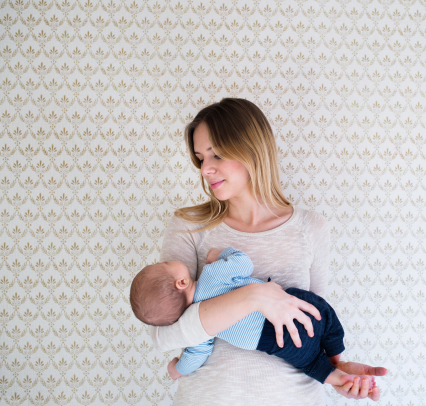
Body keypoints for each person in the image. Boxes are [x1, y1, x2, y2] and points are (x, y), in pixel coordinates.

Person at [148, 98, 387, 405]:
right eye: (200, 158)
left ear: (251, 150)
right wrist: (254, 297)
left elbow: (314, 322)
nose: (206, 169)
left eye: (217, 154)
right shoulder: (189, 226)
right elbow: (164, 335)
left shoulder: (310, 228)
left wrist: (336, 371)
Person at [131, 246, 375, 392]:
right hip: (287, 302)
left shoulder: (196, 327)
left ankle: (336, 374)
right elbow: (243, 262)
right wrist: (220, 254)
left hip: (271, 341)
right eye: (163, 263)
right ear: (182, 282)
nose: (165, 259)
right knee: (323, 313)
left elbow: (195, 357)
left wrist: (176, 369)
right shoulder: (211, 274)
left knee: (309, 361)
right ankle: (336, 356)